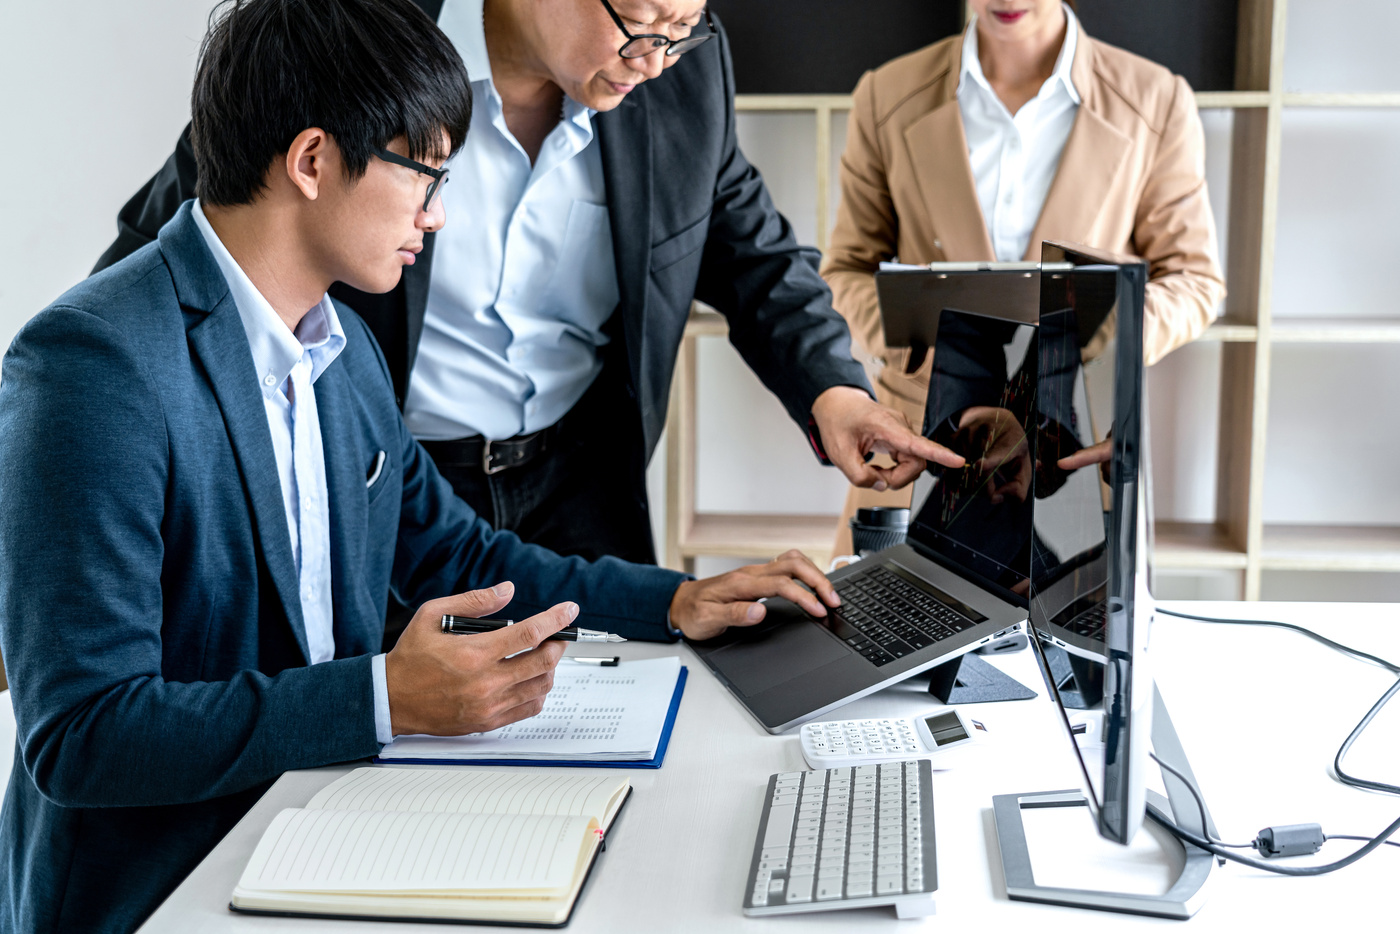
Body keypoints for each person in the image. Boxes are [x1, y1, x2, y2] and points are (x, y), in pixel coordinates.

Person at [0, 2, 842, 931]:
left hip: (315, 832)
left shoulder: (345, 350)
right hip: (161, 891)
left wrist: (672, 602)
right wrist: (381, 697)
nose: (439, 217)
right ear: (314, 160)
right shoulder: (92, 366)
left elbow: (463, 560)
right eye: (425, 175)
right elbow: (84, 735)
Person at [94, 0, 957, 591]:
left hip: (584, 477)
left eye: (680, 30)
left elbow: (747, 244)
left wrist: (835, 392)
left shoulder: (683, 73)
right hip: (392, 480)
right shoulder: (351, 42)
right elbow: (179, 240)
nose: (654, 61)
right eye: (639, 26)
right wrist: (80, 417)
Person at [822, 0, 1225, 554]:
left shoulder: (1155, 98)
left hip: (1072, 451)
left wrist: (1095, 349)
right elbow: (845, 271)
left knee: (1074, 631)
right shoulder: (885, 93)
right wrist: (939, 368)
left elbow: (1194, 279)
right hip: (919, 446)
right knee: (894, 629)